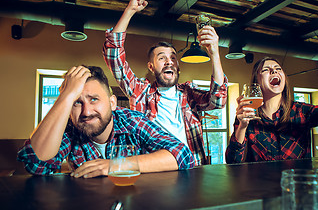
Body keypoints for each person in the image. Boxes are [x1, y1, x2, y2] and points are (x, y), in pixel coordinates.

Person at [102, 0, 228, 166]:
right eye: (162, 58)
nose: (169, 61)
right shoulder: (140, 92)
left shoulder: (189, 93)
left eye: (173, 58)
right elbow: (113, 55)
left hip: (192, 169)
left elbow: (219, 101)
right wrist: (130, 10)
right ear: (151, 67)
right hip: (154, 172)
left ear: (178, 67)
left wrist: (214, 54)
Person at [17, 65, 194, 178]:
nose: (86, 112)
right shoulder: (70, 128)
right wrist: (66, 96)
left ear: (112, 103)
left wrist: (115, 166)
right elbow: (36, 165)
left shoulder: (131, 120)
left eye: (94, 99)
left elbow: (183, 155)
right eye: (77, 102)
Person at [226, 56, 318, 163]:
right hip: (261, 190)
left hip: (298, 187)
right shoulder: (247, 115)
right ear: (256, 80)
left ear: (284, 78)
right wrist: (242, 126)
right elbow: (233, 161)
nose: (274, 71)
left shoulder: (302, 111)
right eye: (266, 70)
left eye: (278, 69)